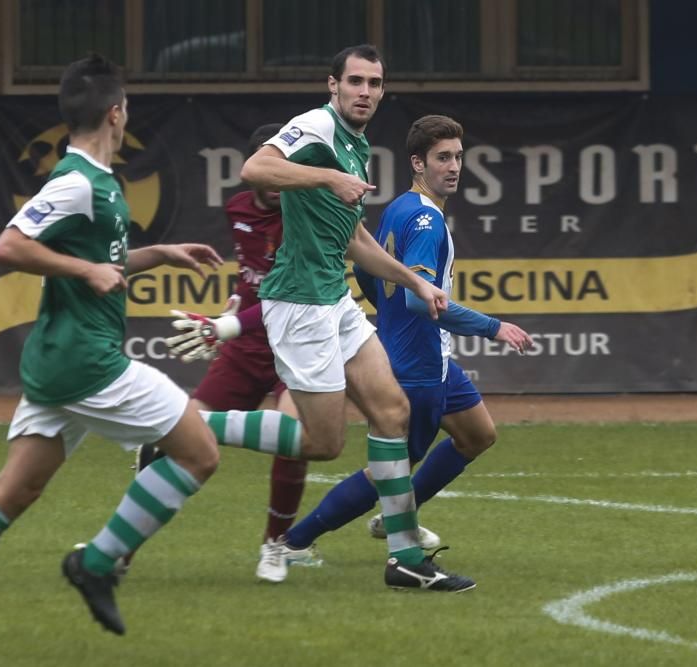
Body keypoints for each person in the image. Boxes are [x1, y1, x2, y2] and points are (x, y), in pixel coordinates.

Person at [0, 54, 303, 657]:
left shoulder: (100, 186)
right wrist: (82, 267)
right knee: (198, 453)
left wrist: (157, 253)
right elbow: (9, 246)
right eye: (125, 105)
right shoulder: (77, 181)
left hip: (60, 363)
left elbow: (103, 267)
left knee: (14, 491)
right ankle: (99, 562)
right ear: (116, 113)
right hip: (87, 363)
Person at [174, 45, 475, 592]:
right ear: (332, 84)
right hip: (299, 305)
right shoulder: (316, 124)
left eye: (375, 83)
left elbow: (356, 240)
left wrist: (414, 280)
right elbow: (254, 168)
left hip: (333, 298)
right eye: (355, 81)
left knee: (392, 411)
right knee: (323, 443)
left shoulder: (355, 145)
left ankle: (405, 560)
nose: (365, 91)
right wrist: (325, 178)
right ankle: (177, 425)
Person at [271, 114, 533, 581]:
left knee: (477, 435)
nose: (453, 166)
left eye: (457, 157)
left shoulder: (398, 208)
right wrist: (494, 327)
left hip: (432, 358)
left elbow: (372, 272)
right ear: (418, 163)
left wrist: (388, 313)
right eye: (442, 158)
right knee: (387, 470)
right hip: (417, 365)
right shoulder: (428, 220)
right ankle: (293, 541)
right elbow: (420, 300)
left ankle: (392, 516)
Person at [133, 123, 321, 582]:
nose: (278, 180)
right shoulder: (236, 207)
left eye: (286, 169)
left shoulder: (306, 213)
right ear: (252, 172)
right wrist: (232, 310)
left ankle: (275, 545)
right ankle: (120, 544)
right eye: (270, 169)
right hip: (246, 343)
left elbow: (290, 293)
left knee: (295, 439)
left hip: (294, 344)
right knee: (181, 438)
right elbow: (251, 277)